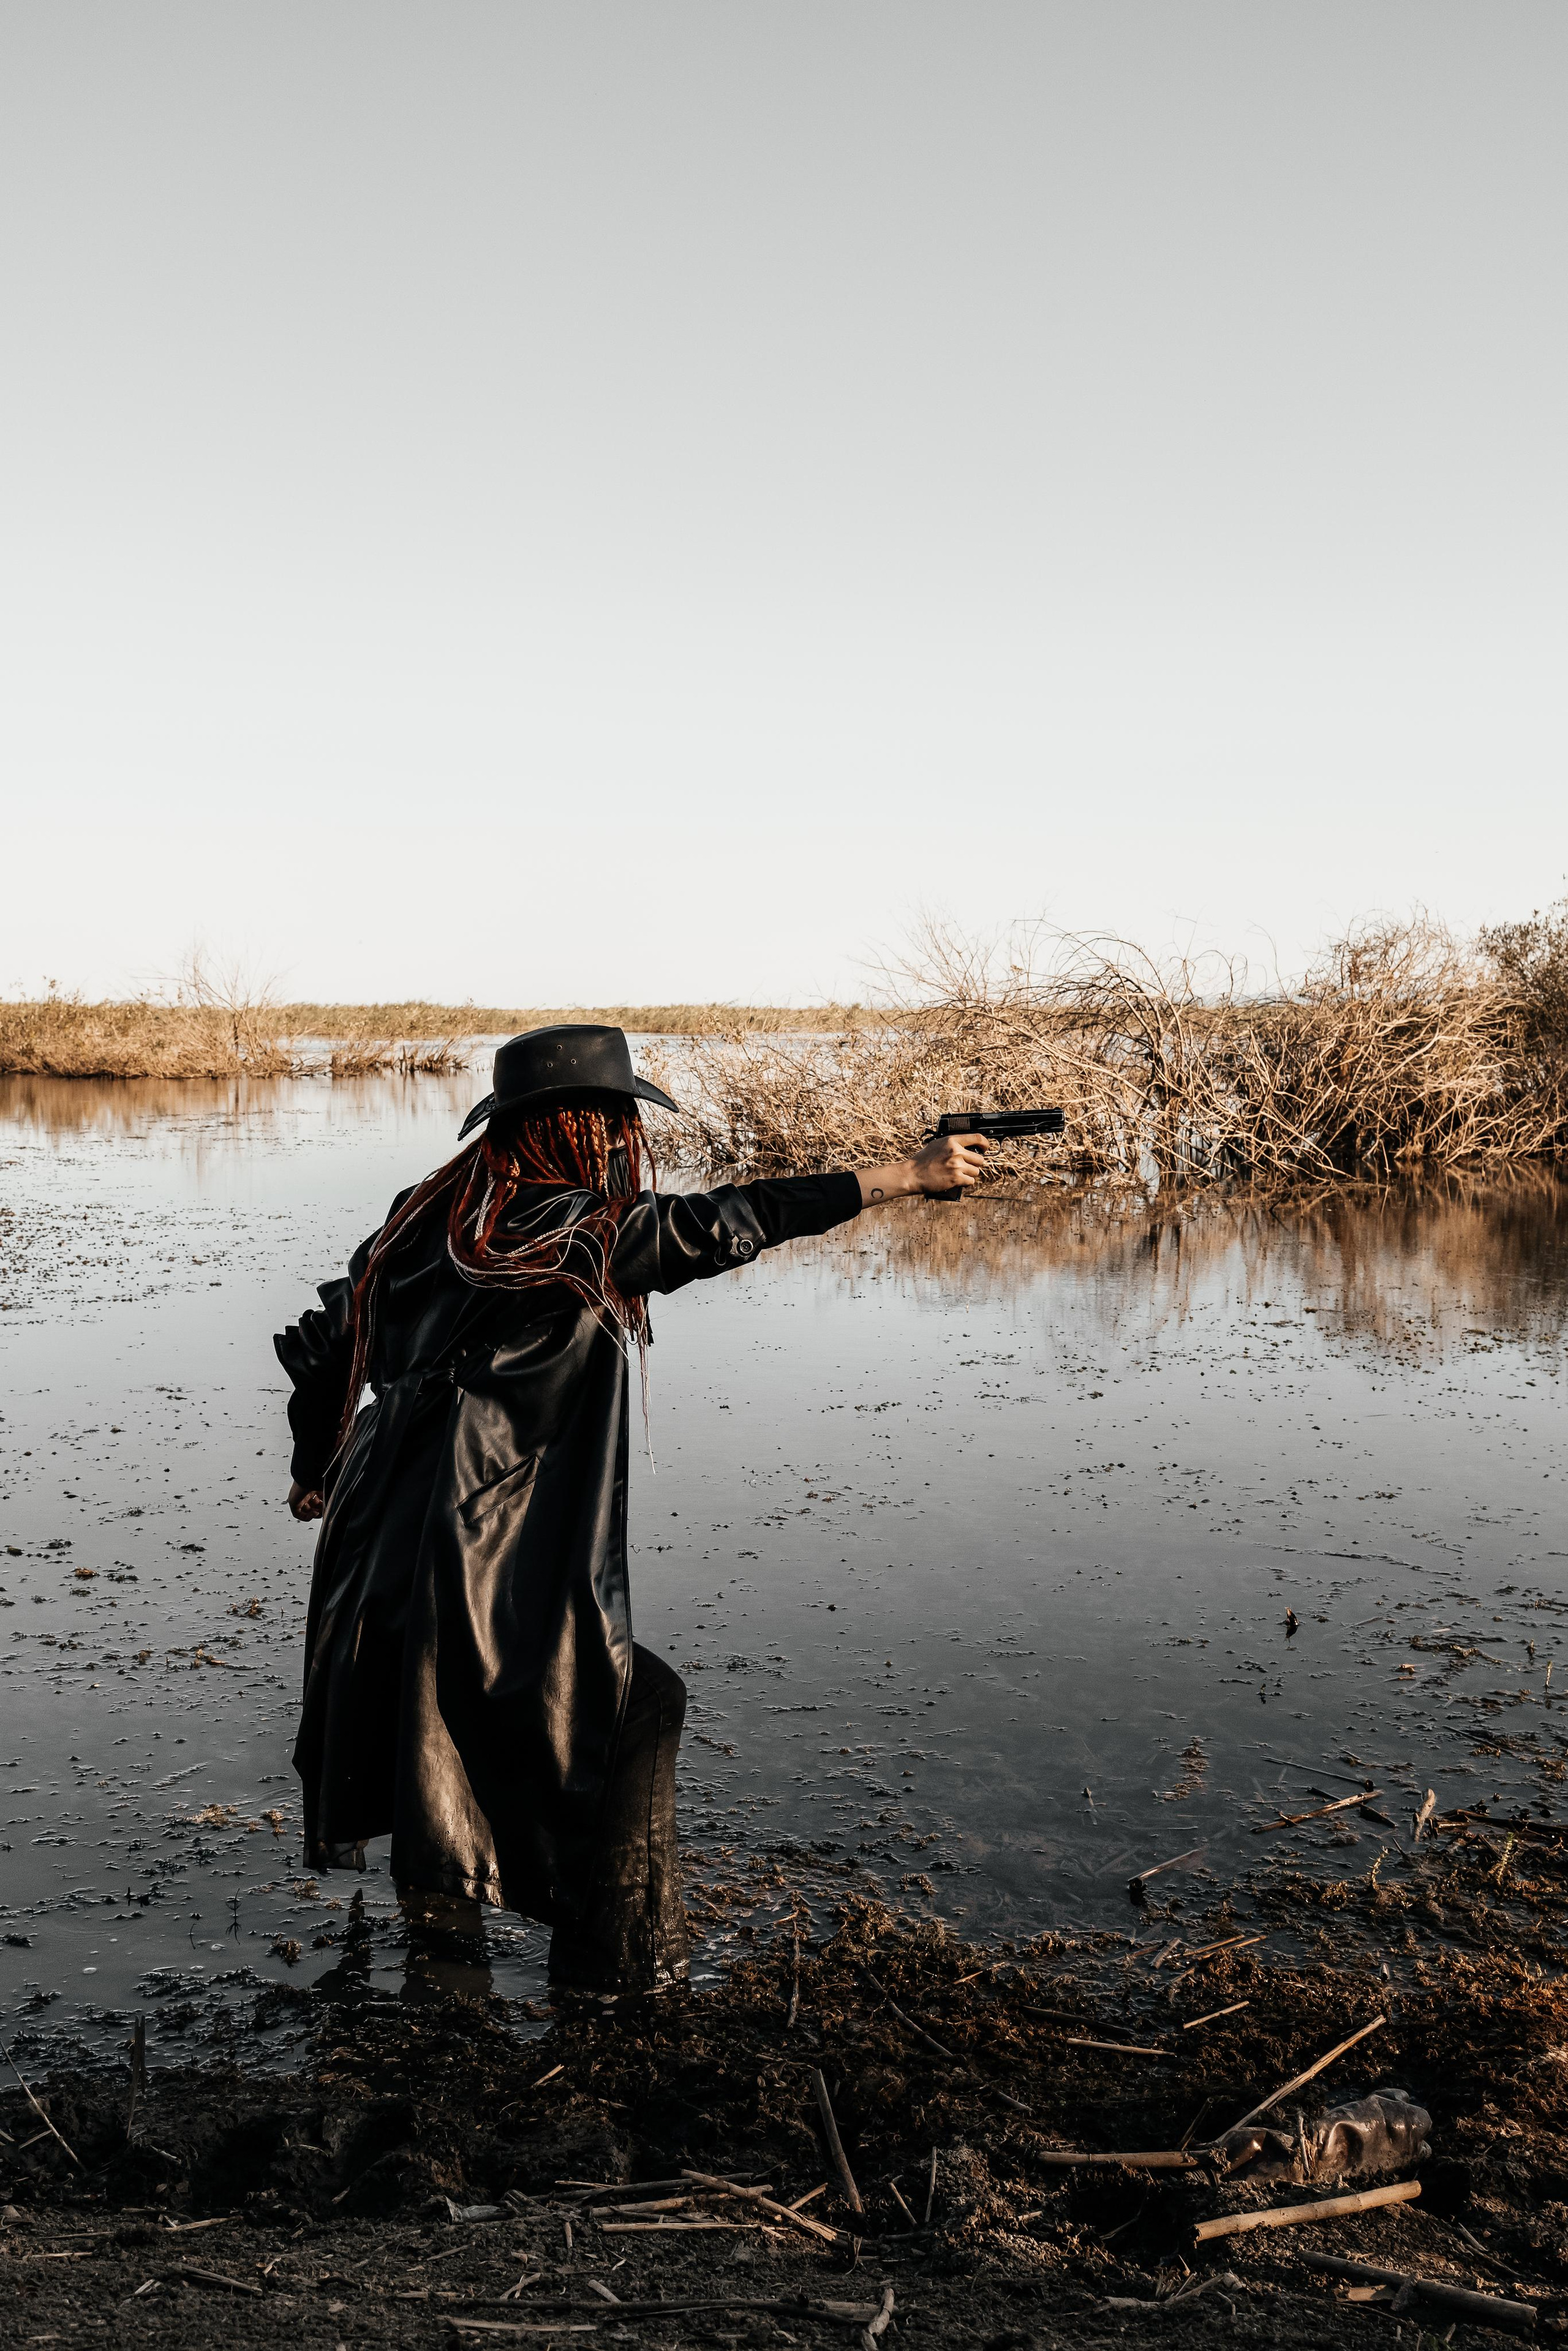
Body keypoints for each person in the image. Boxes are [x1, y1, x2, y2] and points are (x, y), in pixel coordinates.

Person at [274, 1024, 987, 2001]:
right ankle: (618, 1963)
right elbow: (735, 1219)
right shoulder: (583, 1232)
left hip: (373, 1541)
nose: (624, 1141)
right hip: (470, 1548)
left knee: (424, 1733)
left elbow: (327, 1342)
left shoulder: (424, 1216)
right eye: (616, 1122)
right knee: (628, 1705)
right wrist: (906, 1175)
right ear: (580, 1129)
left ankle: (452, 1982)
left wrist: (314, 1469)